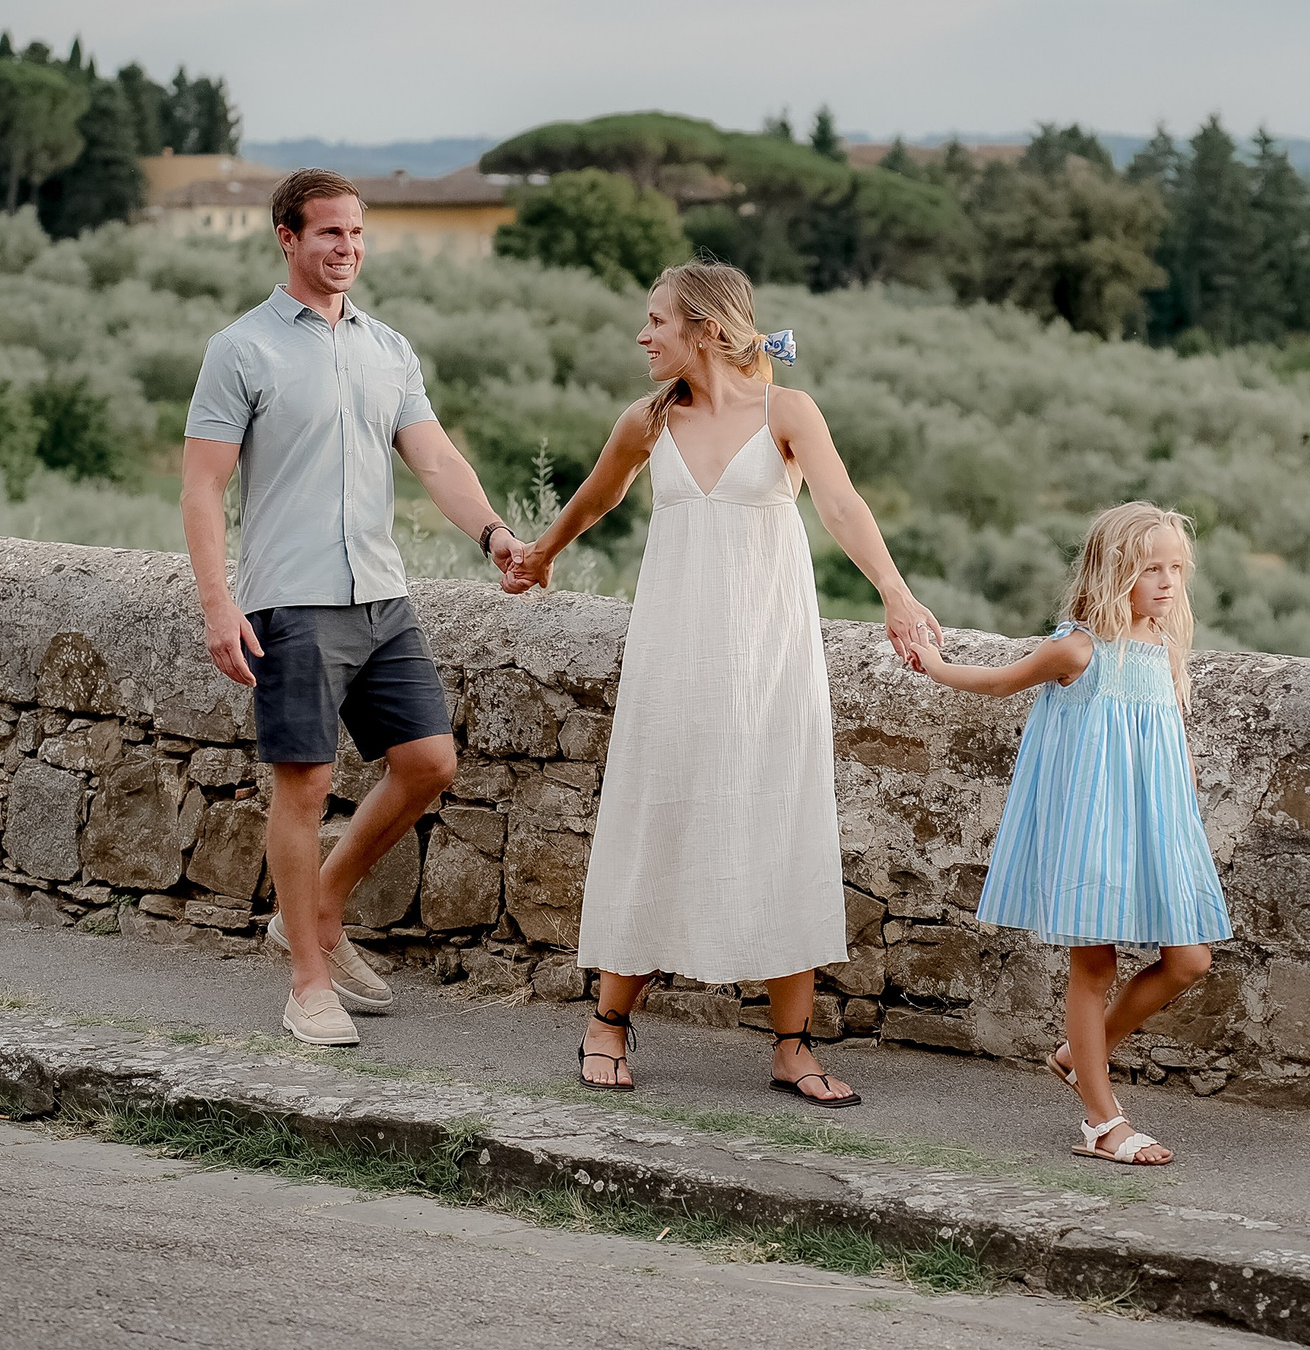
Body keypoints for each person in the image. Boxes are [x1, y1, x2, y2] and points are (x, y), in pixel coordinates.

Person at [510, 262, 939, 1105]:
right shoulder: (646, 420)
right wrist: (542, 554)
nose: (642, 335)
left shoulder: (788, 411)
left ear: (705, 328)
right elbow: (596, 499)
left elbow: (844, 506)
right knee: (654, 816)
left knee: (783, 825)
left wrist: (895, 591)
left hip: (768, 659)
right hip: (673, 655)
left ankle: (792, 1044)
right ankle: (608, 1023)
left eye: (655, 320)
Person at [182, 167, 530, 1048]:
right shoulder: (242, 349)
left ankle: (320, 909)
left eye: (358, 234)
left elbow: (437, 459)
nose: (348, 249)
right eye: (330, 234)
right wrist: (219, 605)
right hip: (289, 602)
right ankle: (307, 981)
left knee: (429, 762)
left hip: (381, 594)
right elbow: (202, 485)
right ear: (287, 238)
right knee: (302, 789)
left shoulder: (388, 348)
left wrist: (493, 535)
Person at [908, 502, 1231, 1167]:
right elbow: (999, 681)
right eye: (1151, 568)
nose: (1168, 582)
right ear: (1114, 572)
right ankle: (1101, 1118)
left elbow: (1171, 742)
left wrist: (1184, 818)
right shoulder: (1079, 649)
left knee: (1190, 958)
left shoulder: (1163, 648)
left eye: (1177, 568)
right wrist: (934, 664)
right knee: (1095, 965)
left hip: (1154, 826)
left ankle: (1077, 1059)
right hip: (1092, 826)